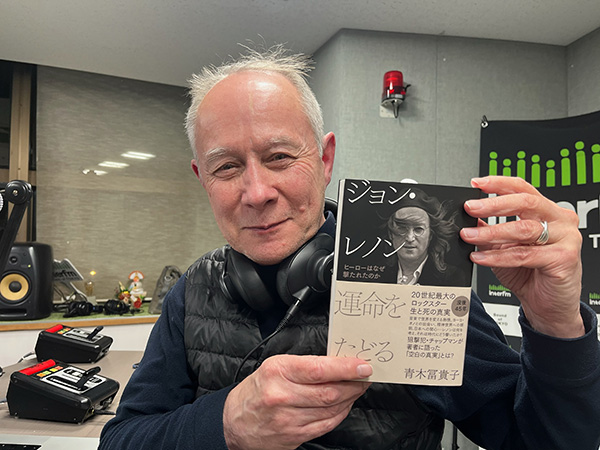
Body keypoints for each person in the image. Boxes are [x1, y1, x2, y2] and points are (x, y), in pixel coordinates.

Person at [98, 46, 600, 450]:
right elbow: (121, 439)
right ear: (202, 178)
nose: (256, 192)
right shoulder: (192, 291)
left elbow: (548, 440)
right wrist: (224, 424)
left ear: (325, 160)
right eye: (226, 167)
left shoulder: (413, 282)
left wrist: (557, 328)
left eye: (279, 157)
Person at [383, 187, 470, 287]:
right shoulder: (377, 273)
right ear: (391, 234)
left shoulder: (452, 277)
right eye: (402, 229)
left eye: (418, 229)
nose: (410, 238)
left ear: (430, 235)